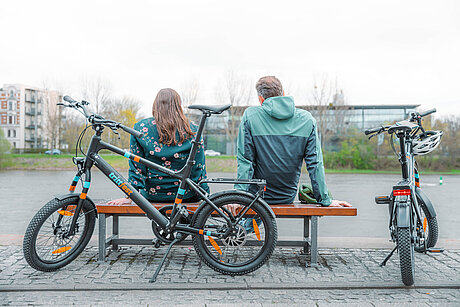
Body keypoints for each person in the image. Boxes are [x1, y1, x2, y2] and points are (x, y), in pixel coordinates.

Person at [236, 76, 351, 207]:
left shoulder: (251, 116)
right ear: (283, 94)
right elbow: (315, 164)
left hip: (257, 197)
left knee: (243, 225)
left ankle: (247, 228)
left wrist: (239, 196)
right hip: (286, 196)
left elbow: (245, 161)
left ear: (261, 99)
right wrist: (326, 200)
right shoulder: (307, 119)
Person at [108, 88, 209, 205]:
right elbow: (198, 167)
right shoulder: (193, 129)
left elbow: (137, 166)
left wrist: (129, 196)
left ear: (156, 105)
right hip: (186, 195)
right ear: (178, 106)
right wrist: (206, 195)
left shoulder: (141, 128)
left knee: (160, 220)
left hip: (154, 196)